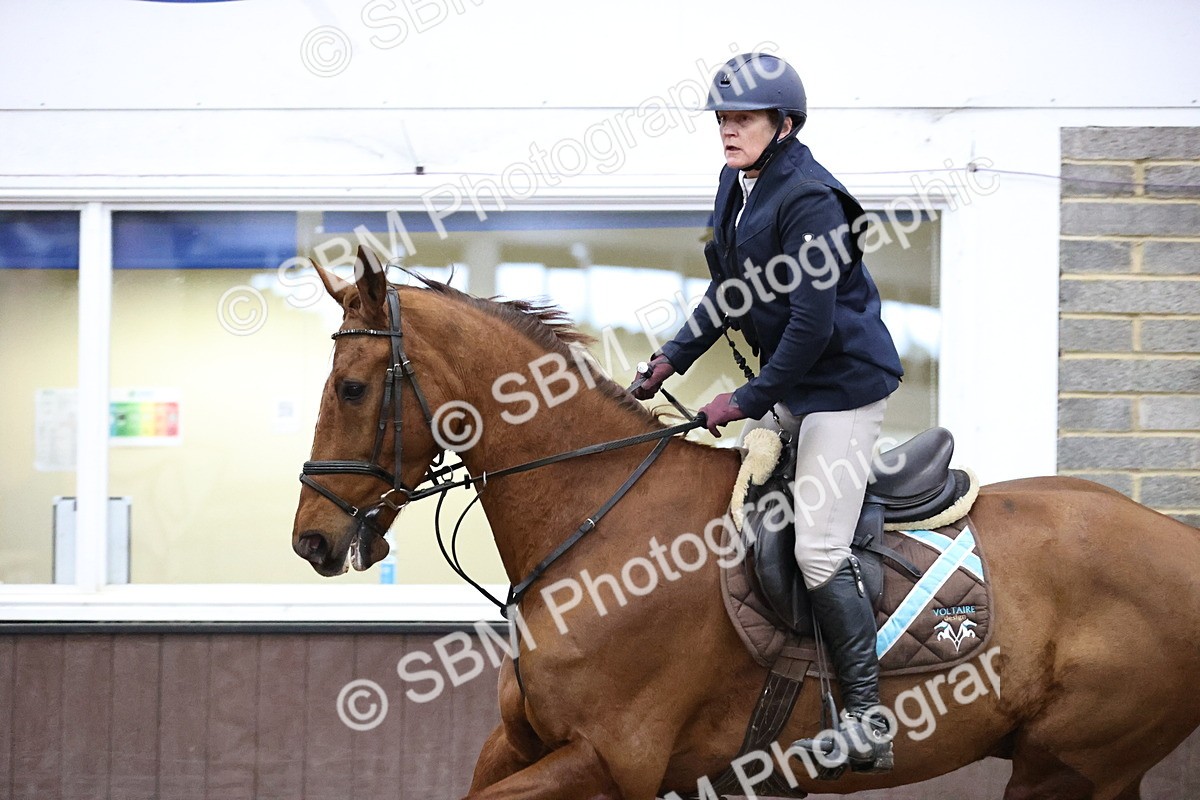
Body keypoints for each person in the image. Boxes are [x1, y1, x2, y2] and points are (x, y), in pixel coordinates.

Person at [629, 53, 904, 774]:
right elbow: (727, 294)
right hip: (796, 387)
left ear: (784, 125)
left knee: (817, 547)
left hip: (842, 389)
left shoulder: (810, 199)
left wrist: (745, 400)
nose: (727, 130)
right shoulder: (738, 183)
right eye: (722, 119)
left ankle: (869, 720)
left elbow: (812, 328)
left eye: (742, 119)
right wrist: (672, 360)